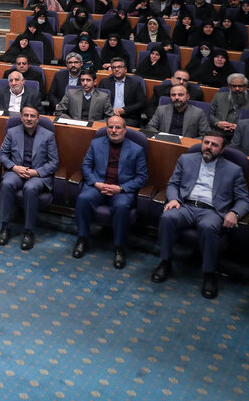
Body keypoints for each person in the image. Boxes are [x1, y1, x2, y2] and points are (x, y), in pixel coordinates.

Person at [151, 131, 249, 299]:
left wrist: (234, 212)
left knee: (207, 226)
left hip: (212, 211)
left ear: (222, 149)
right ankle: (165, 262)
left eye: (214, 145)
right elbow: (173, 184)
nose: (209, 147)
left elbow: (244, 199)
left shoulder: (234, 170)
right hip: (186, 205)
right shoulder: (186, 159)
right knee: (168, 217)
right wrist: (174, 199)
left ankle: (209, 273)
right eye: (206, 143)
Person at [73, 115, 148, 268]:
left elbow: (142, 177)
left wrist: (120, 188)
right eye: (110, 127)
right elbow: (86, 167)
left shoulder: (136, 149)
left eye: (118, 127)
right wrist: (97, 184)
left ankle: (119, 248)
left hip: (121, 190)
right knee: (83, 199)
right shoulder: (96, 144)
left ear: (125, 130)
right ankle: (82, 239)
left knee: (121, 207)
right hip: (98, 186)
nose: (114, 131)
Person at [0, 105, 59, 251]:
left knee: (30, 188)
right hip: (17, 171)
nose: (29, 119)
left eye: (32, 116)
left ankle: (28, 231)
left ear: (38, 118)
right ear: (21, 117)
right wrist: (15, 167)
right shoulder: (12, 132)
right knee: (6, 184)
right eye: (26, 115)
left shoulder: (48, 135)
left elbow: (54, 162)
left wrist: (35, 172)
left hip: (37, 174)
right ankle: (5, 227)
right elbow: (1, 155)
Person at [145, 84, 209, 139]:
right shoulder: (161, 110)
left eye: (180, 95)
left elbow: (205, 135)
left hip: (186, 147)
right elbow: (151, 126)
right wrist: (160, 137)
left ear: (187, 97)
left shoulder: (198, 113)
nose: (176, 97)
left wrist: (188, 142)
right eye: (173, 95)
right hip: (165, 143)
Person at [98, 58, 147, 127]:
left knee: (119, 127)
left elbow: (142, 103)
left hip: (128, 117)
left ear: (125, 69)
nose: (116, 69)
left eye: (119, 67)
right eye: (114, 67)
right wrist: (110, 111)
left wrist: (124, 110)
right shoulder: (104, 82)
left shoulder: (135, 83)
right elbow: (99, 102)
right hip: (108, 116)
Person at [208, 72, 246, 137]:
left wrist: (239, 126)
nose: (237, 89)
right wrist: (217, 123)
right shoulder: (219, 97)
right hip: (218, 132)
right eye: (234, 86)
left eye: (240, 86)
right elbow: (208, 114)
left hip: (242, 135)